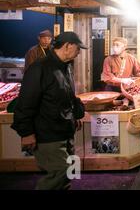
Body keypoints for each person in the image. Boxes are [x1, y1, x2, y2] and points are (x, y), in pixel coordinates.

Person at [11, 31, 87, 190]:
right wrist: (26, 133)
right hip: (48, 134)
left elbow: (68, 95)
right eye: (78, 48)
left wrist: (77, 113)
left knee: (70, 171)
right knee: (59, 172)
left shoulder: (66, 67)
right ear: (67, 46)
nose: (79, 52)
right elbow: (25, 102)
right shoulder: (39, 68)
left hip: (65, 130)